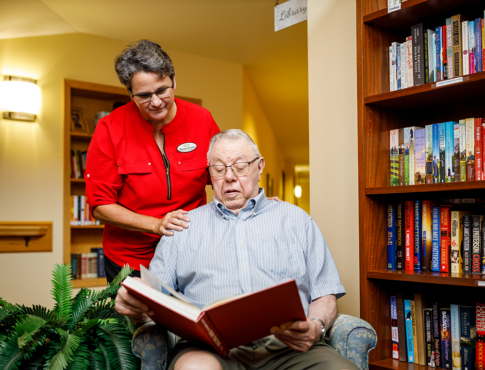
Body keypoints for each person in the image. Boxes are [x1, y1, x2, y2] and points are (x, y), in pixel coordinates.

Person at [115, 129, 358, 370]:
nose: (229, 177)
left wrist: (316, 325)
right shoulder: (182, 227)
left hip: (289, 349)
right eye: (219, 169)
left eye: (240, 166)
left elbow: (324, 293)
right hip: (209, 350)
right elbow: (155, 305)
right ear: (210, 174)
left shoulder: (296, 220)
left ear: (260, 166)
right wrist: (136, 308)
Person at [85, 40, 220, 283]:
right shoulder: (109, 128)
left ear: (174, 80)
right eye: (144, 95)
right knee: (137, 322)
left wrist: (253, 198)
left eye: (162, 90)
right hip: (130, 260)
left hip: (190, 251)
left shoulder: (202, 119)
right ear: (130, 94)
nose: (156, 102)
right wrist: (157, 225)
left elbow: (222, 176)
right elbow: (100, 206)